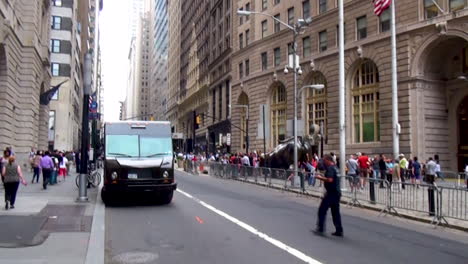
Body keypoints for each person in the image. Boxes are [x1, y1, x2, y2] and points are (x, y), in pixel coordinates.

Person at [313, 155, 343, 237]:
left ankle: (320, 228)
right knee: (335, 212)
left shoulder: (330, 168)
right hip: (336, 193)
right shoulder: (336, 168)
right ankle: (339, 230)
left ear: (328, 160)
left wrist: (320, 177)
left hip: (331, 193)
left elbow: (330, 179)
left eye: (324, 160)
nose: (324, 162)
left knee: (322, 210)